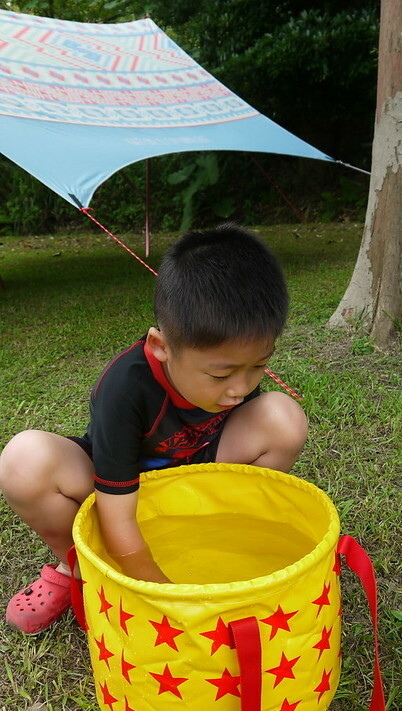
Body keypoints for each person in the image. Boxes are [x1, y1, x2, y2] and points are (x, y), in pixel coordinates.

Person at [0, 223, 308, 634]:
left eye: (257, 366)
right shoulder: (126, 386)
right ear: (160, 347)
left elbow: (253, 418)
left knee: (283, 418)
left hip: (196, 482)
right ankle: (82, 569)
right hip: (119, 488)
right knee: (24, 460)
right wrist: (161, 595)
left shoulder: (234, 375)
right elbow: (116, 504)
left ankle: (219, 539)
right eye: (220, 375)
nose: (240, 389)